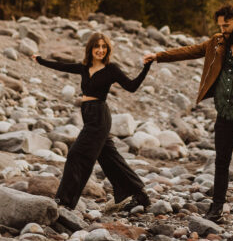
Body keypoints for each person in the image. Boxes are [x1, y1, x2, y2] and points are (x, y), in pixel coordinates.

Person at [143, 3, 233, 224]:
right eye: (220, 25)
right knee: (221, 162)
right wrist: (158, 56)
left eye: (226, 25)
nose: (222, 29)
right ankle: (216, 209)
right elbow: (189, 51)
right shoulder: (216, 42)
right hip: (224, 114)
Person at [33, 32, 152, 212]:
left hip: (99, 117)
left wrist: (146, 68)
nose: (101, 50)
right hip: (89, 114)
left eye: (104, 47)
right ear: (91, 49)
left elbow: (132, 87)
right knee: (110, 157)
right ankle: (139, 194)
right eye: (97, 47)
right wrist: (41, 60)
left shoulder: (112, 69)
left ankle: (64, 200)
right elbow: (62, 66)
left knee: (76, 155)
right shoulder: (84, 67)